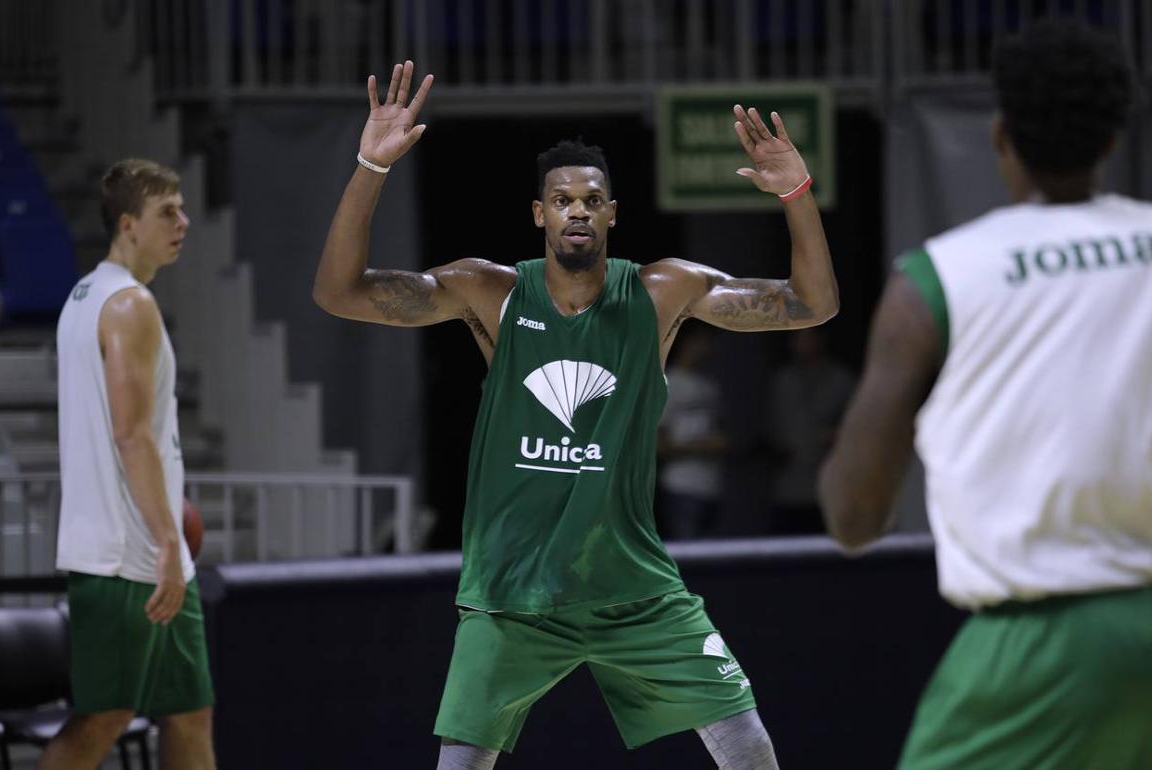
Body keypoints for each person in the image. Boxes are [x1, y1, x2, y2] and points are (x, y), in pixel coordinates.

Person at [313, 61, 838, 769]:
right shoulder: (490, 292)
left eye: (592, 198)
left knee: (747, 744)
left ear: (613, 212)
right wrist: (370, 165)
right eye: (563, 200)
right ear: (540, 215)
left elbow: (813, 305)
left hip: (633, 590)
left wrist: (797, 194)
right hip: (512, 593)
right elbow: (339, 293)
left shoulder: (660, 292)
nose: (579, 210)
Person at [817, 20, 1152, 769]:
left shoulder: (938, 278)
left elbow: (854, 518)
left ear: (1000, 135)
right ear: (1114, 137)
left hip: (1039, 646)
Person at [45, 159, 216, 770]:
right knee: (103, 719)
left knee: (189, 715)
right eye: (166, 212)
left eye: (182, 208)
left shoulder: (85, 295)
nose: (183, 222)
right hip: (128, 556)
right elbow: (130, 434)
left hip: (153, 553)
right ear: (127, 225)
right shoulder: (128, 305)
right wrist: (169, 541)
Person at [766, 327, 854, 534]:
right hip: (788, 484)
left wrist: (838, 436)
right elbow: (770, 426)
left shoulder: (841, 380)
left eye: (807, 338)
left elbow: (861, 424)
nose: (801, 344)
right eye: (796, 338)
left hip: (828, 482)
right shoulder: (782, 381)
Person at [657, 324, 729, 540]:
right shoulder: (669, 381)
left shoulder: (709, 384)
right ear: (688, 343)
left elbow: (720, 432)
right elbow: (657, 443)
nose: (709, 348)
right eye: (703, 341)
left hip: (712, 485)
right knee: (687, 556)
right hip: (680, 485)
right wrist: (703, 447)